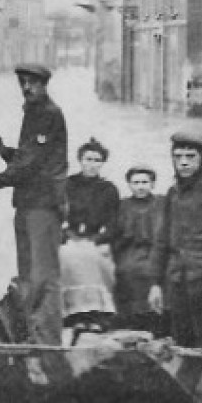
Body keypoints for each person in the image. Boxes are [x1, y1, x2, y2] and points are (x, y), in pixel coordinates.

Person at [0, 62, 67, 346]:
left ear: (44, 85)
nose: (27, 88)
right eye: (23, 83)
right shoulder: (33, 113)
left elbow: (29, 163)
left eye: (33, 83)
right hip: (27, 204)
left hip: (43, 206)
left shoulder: (48, 114)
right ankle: (32, 334)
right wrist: (3, 150)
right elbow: (25, 157)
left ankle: (48, 342)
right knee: (26, 273)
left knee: (42, 276)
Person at [147, 132, 202, 350]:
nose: (184, 162)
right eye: (178, 157)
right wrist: (155, 284)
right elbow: (162, 240)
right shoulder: (173, 192)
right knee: (181, 338)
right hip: (178, 280)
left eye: (190, 156)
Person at [59, 138, 120, 339]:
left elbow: (113, 222)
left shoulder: (108, 189)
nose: (92, 164)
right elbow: (57, 215)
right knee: (66, 255)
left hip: (96, 238)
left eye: (97, 160)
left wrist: (99, 239)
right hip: (70, 235)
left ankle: (96, 314)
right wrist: (65, 235)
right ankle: (72, 313)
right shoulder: (68, 185)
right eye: (88, 159)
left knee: (94, 256)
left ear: (102, 163)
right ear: (80, 160)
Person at [111, 165, 163, 334]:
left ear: (152, 184)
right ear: (129, 184)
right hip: (130, 251)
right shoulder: (122, 205)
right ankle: (131, 323)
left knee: (155, 273)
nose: (140, 186)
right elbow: (116, 233)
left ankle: (156, 323)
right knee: (127, 271)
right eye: (136, 182)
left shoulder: (161, 203)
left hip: (156, 250)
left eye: (145, 182)